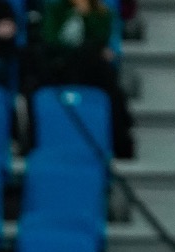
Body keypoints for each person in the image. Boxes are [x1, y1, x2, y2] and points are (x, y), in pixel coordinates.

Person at [36, 0, 137, 158]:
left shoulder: (102, 13)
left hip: (90, 70)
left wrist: (84, 16)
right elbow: (51, 40)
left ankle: (121, 140)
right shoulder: (56, 10)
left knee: (107, 81)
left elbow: (100, 39)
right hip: (60, 67)